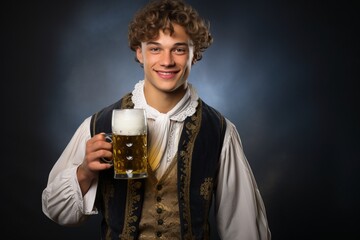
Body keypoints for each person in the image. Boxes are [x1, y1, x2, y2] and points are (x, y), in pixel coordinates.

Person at [41, 0, 271, 239]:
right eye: (155, 48)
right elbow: (57, 210)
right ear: (139, 52)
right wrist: (85, 172)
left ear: (195, 54)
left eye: (179, 49)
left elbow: (244, 228)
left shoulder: (220, 131)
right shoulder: (99, 124)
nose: (167, 60)